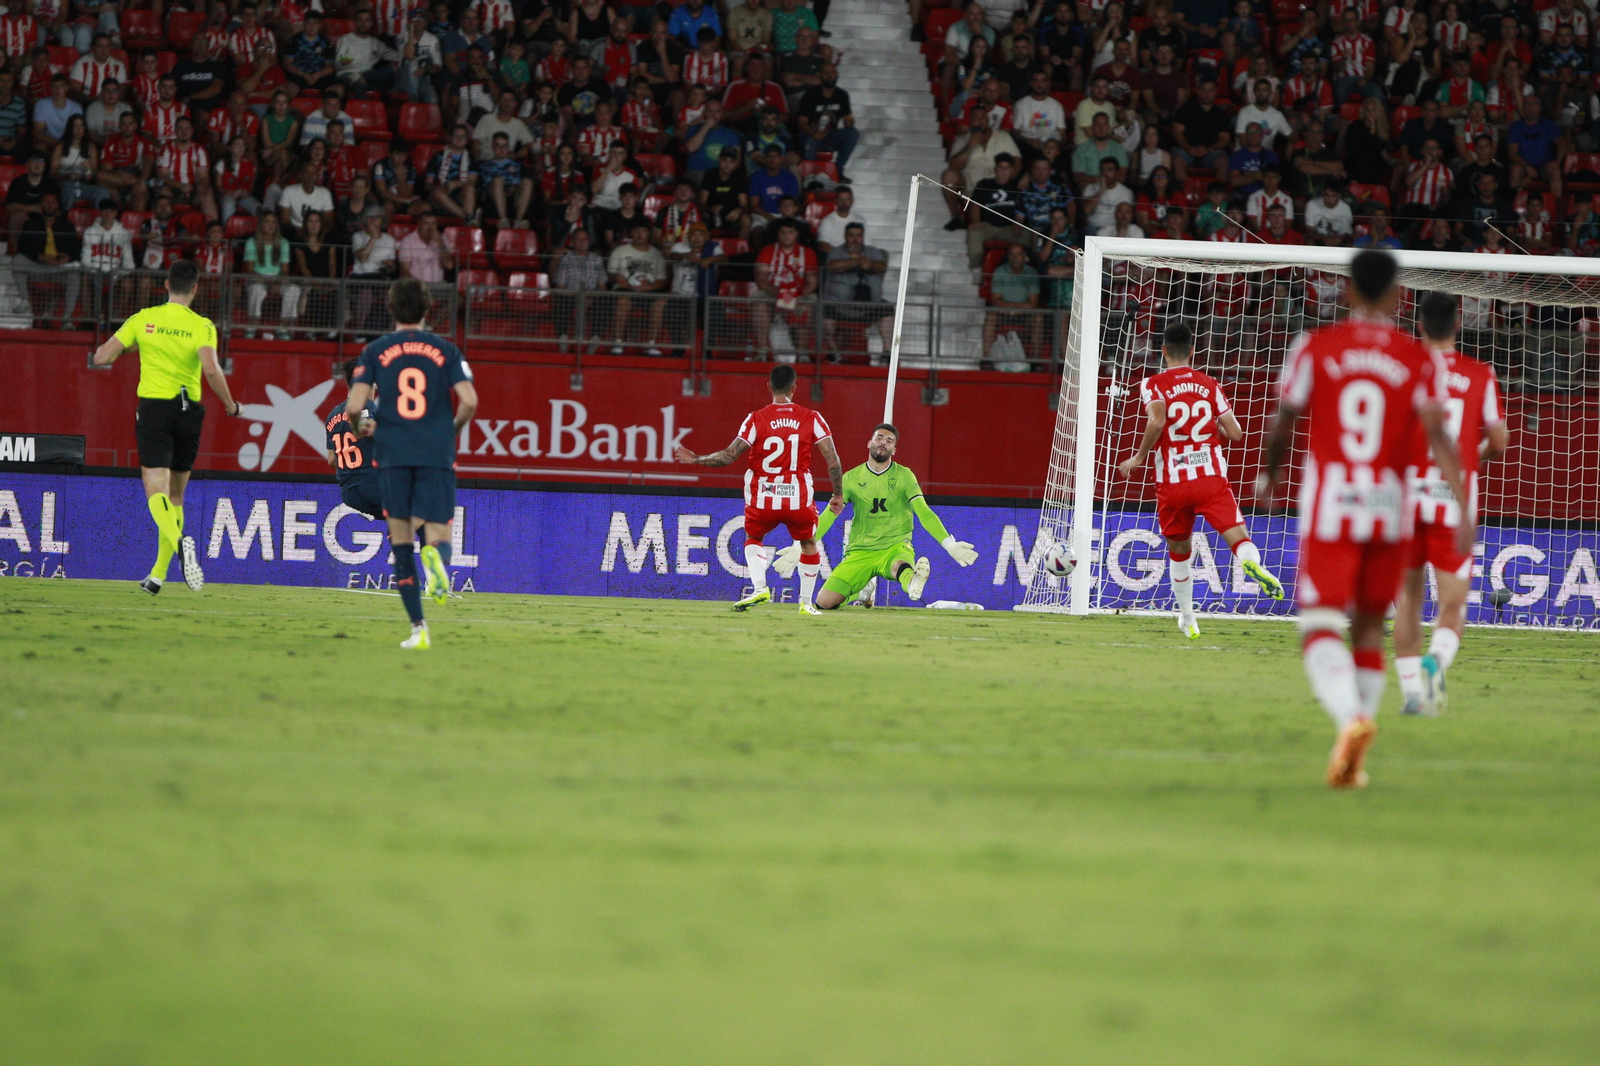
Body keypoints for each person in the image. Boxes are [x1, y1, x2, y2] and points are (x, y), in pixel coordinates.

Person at [1255, 250, 1468, 789]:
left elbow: (1283, 423)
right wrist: (1463, 504)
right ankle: (1356, 755)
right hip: (1391, 512)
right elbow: (1441, 437)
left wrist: (1268, 477)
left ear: (1346, 291)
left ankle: (1351, 718)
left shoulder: (1316, 347)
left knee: (1321, 625)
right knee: (1371, 627)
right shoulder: (1417, 358)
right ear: (1398, 296)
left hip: (1332, 508)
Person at [1116, 321, 1284, 638]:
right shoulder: (1209, 384)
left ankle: (1189, 618)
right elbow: (1235, 432)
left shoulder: (1153, 384)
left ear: (1163, 350)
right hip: (1209, 475)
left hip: (1173, 481)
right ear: (1193, 351)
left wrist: (1138, 457)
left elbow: (1157, 419)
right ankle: (1250, 562)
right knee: (1240, 538)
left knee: (1180, 552)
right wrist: (1210, 430)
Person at [90, 260, 242, 596]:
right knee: (176, 496)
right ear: (195, 289)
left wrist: (135, 345)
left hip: (155, 409)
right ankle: (157, 576)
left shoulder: (144, 318)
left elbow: (102, 357)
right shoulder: (202, 326)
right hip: (189, 411)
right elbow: (211, 368)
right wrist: (231, 406)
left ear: (165, 286)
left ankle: (180, 540)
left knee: (155, 489)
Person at [345, 279, 479, 649]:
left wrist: (363, 428)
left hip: (392, 452)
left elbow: (355, 408)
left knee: (401, 544)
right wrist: (448, 430)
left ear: (390, 309)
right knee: (438, 532)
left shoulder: (375, 350)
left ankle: (418, 629)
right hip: (434, 452)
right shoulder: (445, 350)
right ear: (427, 308)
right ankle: (435, 560)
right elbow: (469, 400)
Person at [1392, 293, 1509, 717]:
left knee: (1408, 597)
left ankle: (1409, 692)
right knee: (1453, 603)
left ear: (1419, 326)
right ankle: (1436, 663)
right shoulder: (1480, 374)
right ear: (1457, 325)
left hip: (1405, 495)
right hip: (1452, 498)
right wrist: (1469, 459)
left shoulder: (1404, 368)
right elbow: (1500, 441)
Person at [674, 363, 844, 613]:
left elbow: (730, 455)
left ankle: (760, 588)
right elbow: (833, 459)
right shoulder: (812, 417)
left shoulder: (756, 419)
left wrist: (697, 459)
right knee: (808, 544)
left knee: (754, 538)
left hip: (763, 498)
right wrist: (838, 495)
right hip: (797, 498)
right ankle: (806, 604)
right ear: (794, 388)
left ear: (769, 387)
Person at [773, 422, 978, 609]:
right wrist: (802, 546)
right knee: (823, 602)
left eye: (889, 441)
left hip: (894, 546)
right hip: (860, 552)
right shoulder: (851, 478)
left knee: (901, 567)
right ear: (869, 442)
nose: (883, 442)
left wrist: (949, 544)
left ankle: (914, 582)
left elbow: (924, 512)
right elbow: (830, 514)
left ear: (894, 450)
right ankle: (862, 591)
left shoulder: (904, 475)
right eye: (879, 438)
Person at [821, 222, 892, 358]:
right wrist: (856, 262)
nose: (855, 239)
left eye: (859, 235)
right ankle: (834, 352)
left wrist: (869, 264)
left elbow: (882, 266)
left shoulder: (873, 252)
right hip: (839, 305)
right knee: (824, 313)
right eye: (851, 235)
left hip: (870, 305)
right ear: (845, 236)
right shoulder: (836, 252)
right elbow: (832, 265)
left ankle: (887, 352)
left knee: (887, 310)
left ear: (863, 237)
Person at [326, 359, 384, 520]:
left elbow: (332, 459)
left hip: (349, 493)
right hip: (373, 486)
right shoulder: (367, 407)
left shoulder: (333, 415)